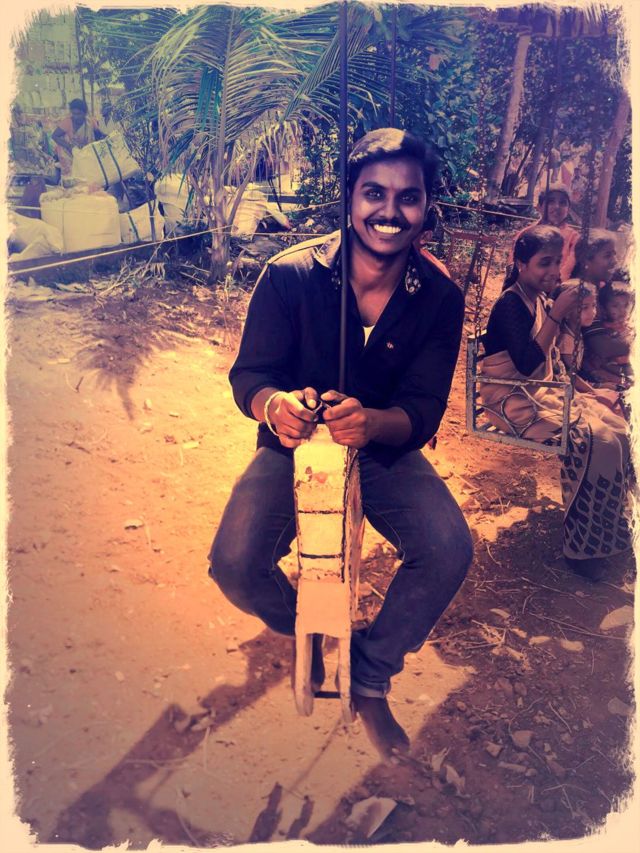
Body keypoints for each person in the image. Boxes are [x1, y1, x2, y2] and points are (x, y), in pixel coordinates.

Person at [208, 128, 473, 761]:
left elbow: (423, 411)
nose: (390, 211)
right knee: (236, 565)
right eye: (374, 193)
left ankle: (371, 673)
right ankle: (307, 624)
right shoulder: (289, 276)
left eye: (408, 197)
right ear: (349, 197)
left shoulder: (440, 297)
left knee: (447, 549)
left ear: (427, 206)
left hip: (384, 453)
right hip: (293, 449)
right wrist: (276, 408)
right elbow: (251, 376)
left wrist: (373, 423)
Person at [480, 225, 631, 582]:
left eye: (557, 262)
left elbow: (555, 361)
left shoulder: (538, 298)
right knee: (594, 440)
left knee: (618, 431)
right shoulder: (510, 304)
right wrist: (556, 313)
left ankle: (608, 529)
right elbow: (527, 365)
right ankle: (582, 549)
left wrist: (585, 390)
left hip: (539, 393)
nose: (553, 271)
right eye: (543, 262)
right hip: (512, 401)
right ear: (521, 264)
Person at [512, 184, 579, 284]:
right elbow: (513, 268)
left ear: (568, 210)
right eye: (551, 201)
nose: (557, 207)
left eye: (563, 203)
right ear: (539, 207)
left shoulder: (574, 238)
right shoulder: (525, 234)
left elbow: (566, 272)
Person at [582, 281, 633, 390]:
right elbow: (605, 351)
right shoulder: (601, 326)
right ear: (604, 308)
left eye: (626, 305)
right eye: (615, 306)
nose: (622, 311)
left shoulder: (631, 325)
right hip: (609, 376)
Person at [52, 98, 105, 177]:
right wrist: (68, 146)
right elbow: (54, 136)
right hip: (69, 155)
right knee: (71, 177)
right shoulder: (67, 122)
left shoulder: (90, 122)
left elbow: (99, 135)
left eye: (79, 114)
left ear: (85, 113)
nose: (76, 117)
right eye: (74, 114)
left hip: (85, 154)